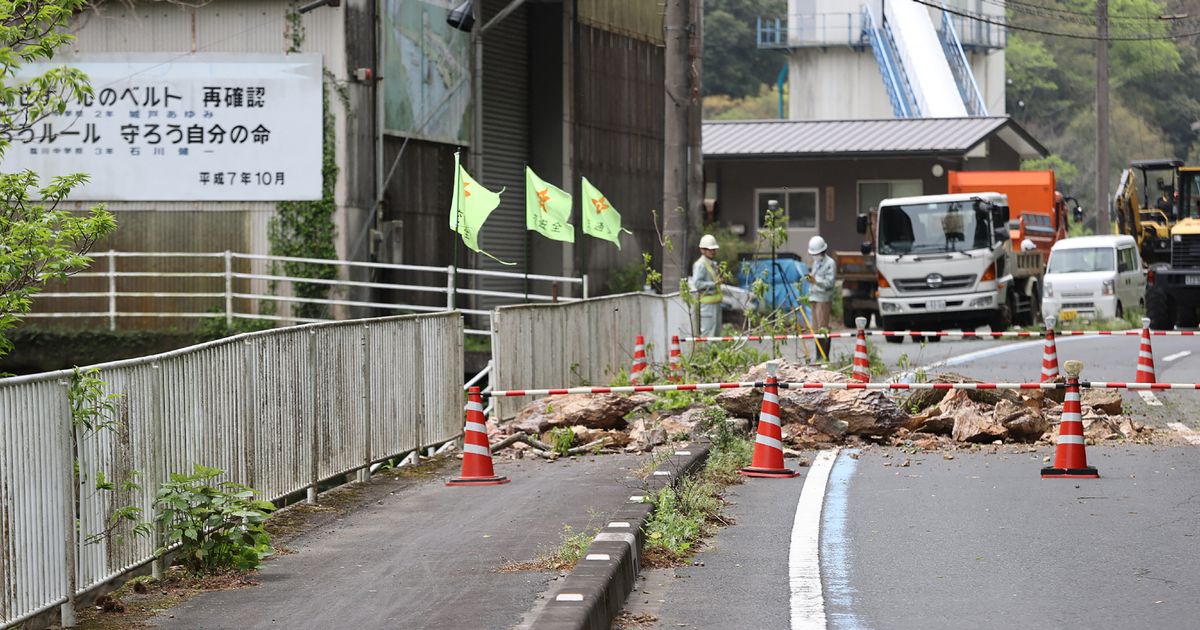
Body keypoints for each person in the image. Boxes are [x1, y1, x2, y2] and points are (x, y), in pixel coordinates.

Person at [805, 235, 836, 358]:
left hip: (823, 299)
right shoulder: (816, 263)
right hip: (814, 297)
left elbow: (829, 283)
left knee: (823, 328)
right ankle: (819, 356)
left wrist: (815, 281)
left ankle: (824, 356)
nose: (814, 256)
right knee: (816, 329)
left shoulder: (830, 263)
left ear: (822, 251)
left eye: (816, 253)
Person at [691, 234, 723, 336]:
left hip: (716, 304)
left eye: (714, 249)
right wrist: (714, 284)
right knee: (708, 334)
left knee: (716, 335)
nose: (713, 251)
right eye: (710, 249)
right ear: (702, 250)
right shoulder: (700, 265)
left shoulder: (713, 264)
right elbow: (697, 283)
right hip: (707, 306)